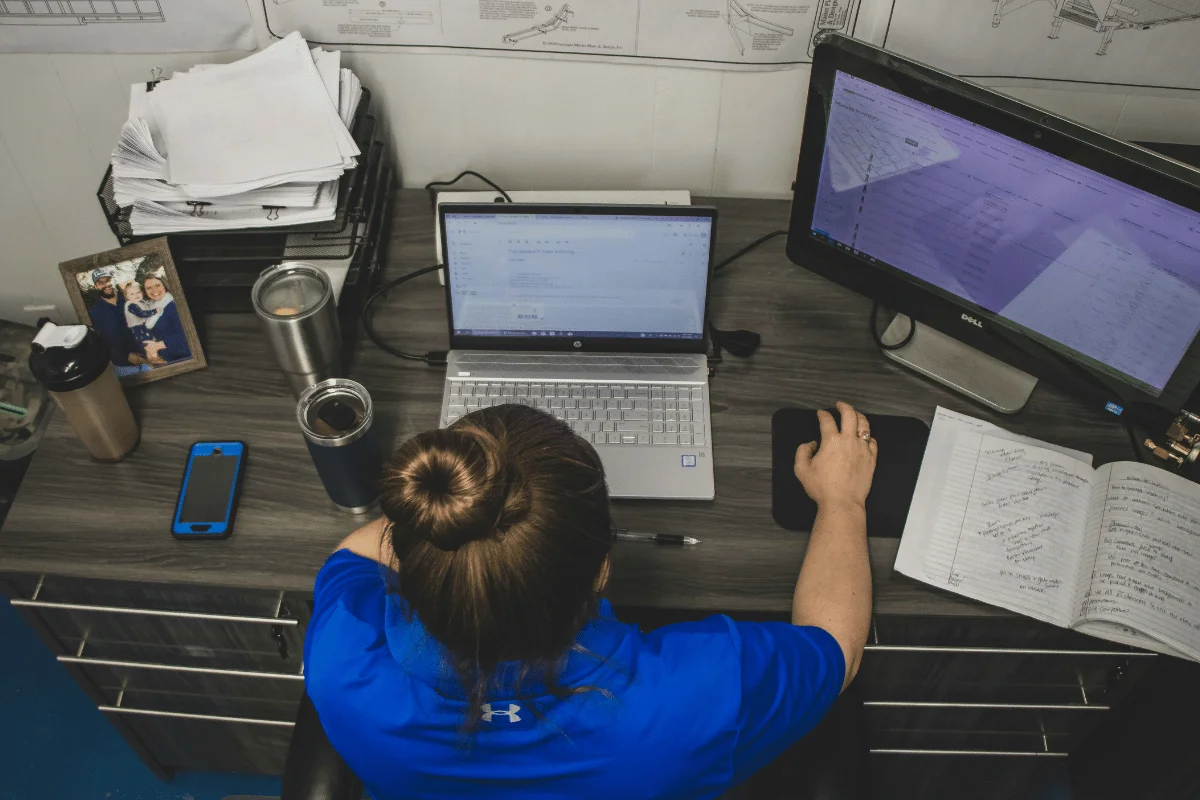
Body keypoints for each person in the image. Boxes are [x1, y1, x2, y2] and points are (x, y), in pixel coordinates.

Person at [305, 401, 876, 798]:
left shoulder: (342, 660)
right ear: (602, 569)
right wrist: (842, 502)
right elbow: (837, 649)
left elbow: (360, 553)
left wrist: (455, 512)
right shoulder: (698, 695)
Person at [139, 274, 191, 365]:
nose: (154, 290)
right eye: (149, 288)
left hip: (185, 358)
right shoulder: (152, 307)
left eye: (157, 285)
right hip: (169, 359)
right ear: (145, 291)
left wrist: (157, 346)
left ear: (165, 286)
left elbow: (187, 335)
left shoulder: (175, 305)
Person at [86, 268, 129, 367]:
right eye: (101, 282)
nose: (106, 284)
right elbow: (102, 343)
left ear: (114, 280)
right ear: (96, 286)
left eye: (108, 280)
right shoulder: (95, 312)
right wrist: (126, 356)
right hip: (123, 362)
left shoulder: (129, 297)